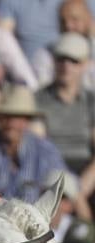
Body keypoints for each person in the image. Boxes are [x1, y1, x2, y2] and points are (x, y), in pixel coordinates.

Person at [0, 85, 70, 202]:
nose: (11, 122)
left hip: (32, 216)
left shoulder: (44, 149)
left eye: (17, 117)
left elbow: (66, 184)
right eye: (6, 116)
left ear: (27, 121)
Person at [35, 33, 95, 190]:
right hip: (49, 168)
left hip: (86, 169)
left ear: (86, 64)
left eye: (74, 61)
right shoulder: (38, 99)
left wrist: (81, 189)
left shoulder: (91, 100)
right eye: (61, 59)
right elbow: (38, 146)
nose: (66, 66)